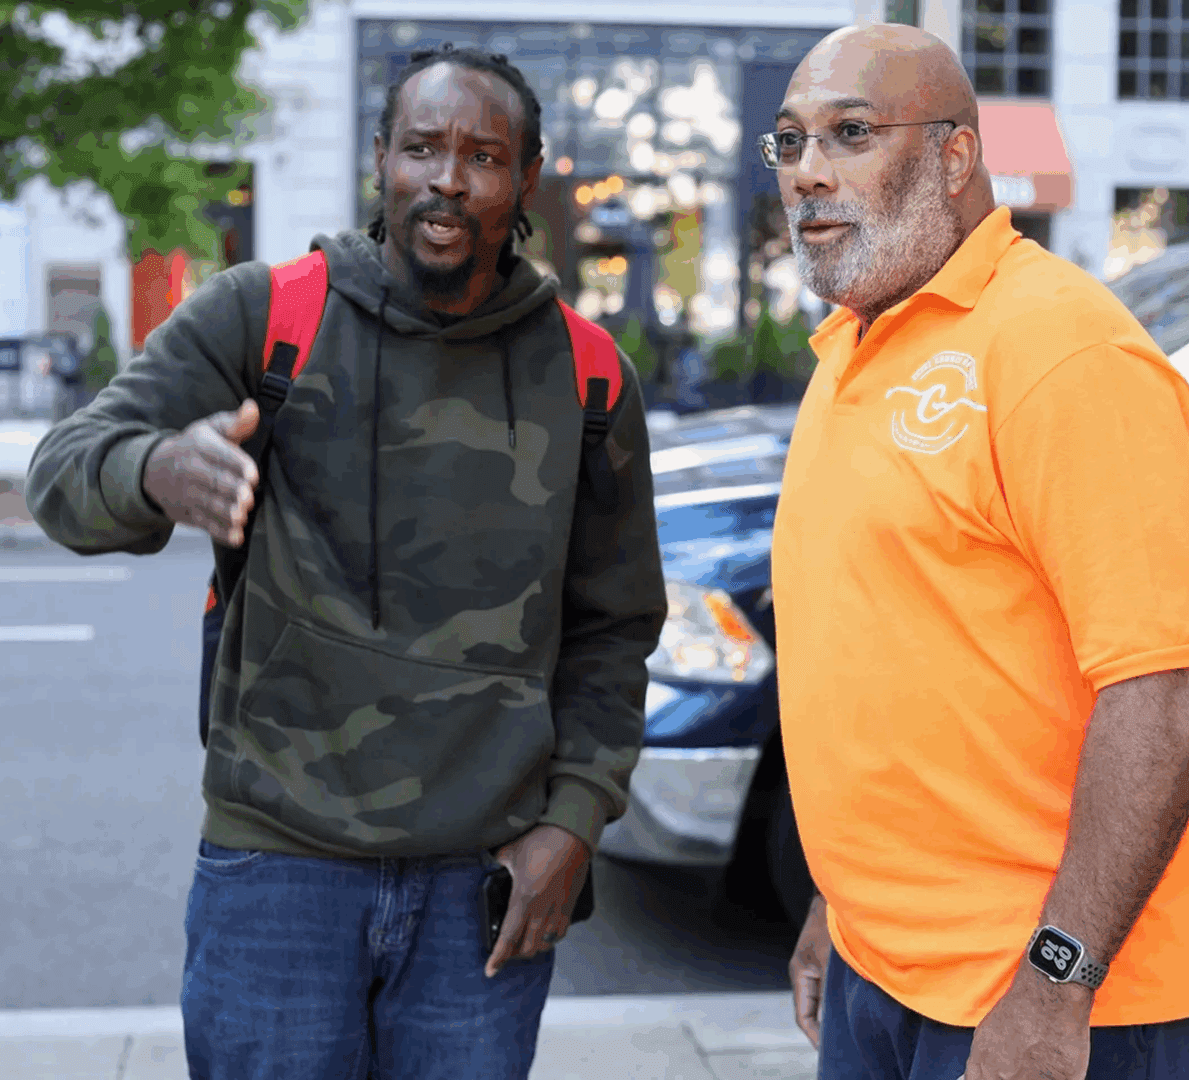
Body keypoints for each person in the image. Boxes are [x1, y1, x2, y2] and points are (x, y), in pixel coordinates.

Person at [25, 45, 666, 1080]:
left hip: (483, 887)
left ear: (528, 180)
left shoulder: (590, 377)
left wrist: (574, 825)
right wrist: (154, 472)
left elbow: (616, 625)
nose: (447, 179)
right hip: (277, 869)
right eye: (421, 148)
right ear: (380, 159)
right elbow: (64, 471)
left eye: (482, 156)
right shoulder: (265, 312)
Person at [766, 22, 1189, 1080]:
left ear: (956, 157)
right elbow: (899, 665)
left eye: (850, 134)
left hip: (1058, 1002)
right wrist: (841, 904)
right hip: (884, 973)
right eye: (788, 142)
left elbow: (1164, 689)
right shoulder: (854, 343)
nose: (808, 172)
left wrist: (1056, 981)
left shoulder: (1062, 349)